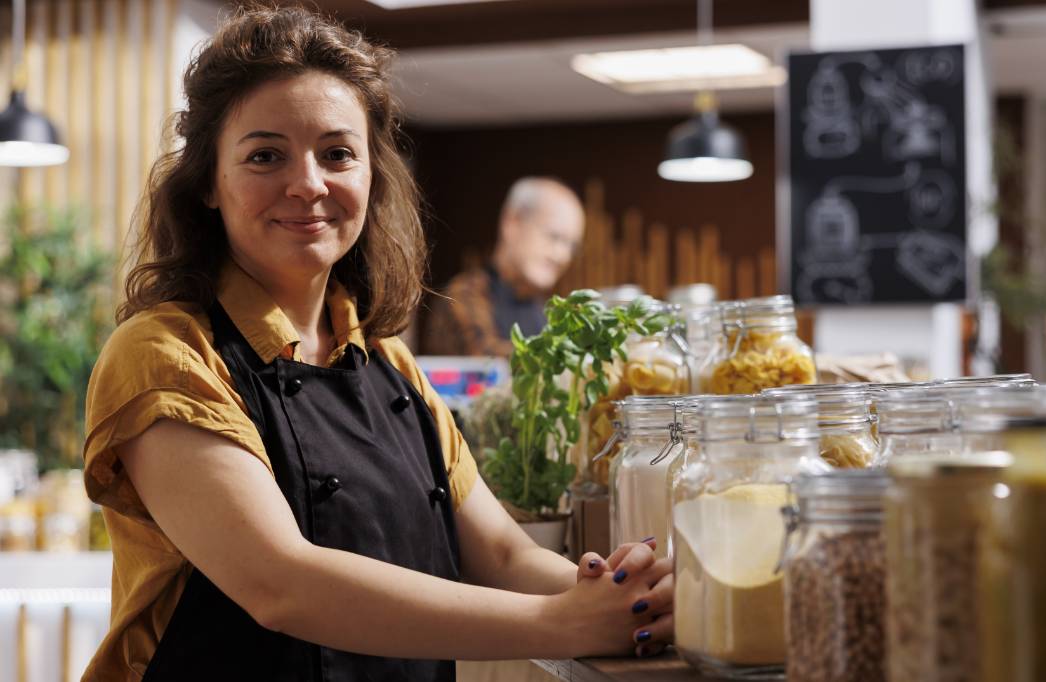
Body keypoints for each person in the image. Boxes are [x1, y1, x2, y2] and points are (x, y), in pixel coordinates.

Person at [81, 8, 670, 680]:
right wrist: (558, 623)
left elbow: (502, 557)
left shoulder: (388, 362)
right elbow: (282, 584)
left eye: (337, 153)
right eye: (265, 155)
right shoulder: (165, 354)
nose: (308, 184)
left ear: (370, 176)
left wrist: (622, 596)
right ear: (210, 183)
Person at [423, 177, 584, 356]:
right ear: (512, 222)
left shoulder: (544, 310)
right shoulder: (463, 295)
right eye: (553, 236)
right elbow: (486, 361)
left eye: (572, 246)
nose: (563, 256)